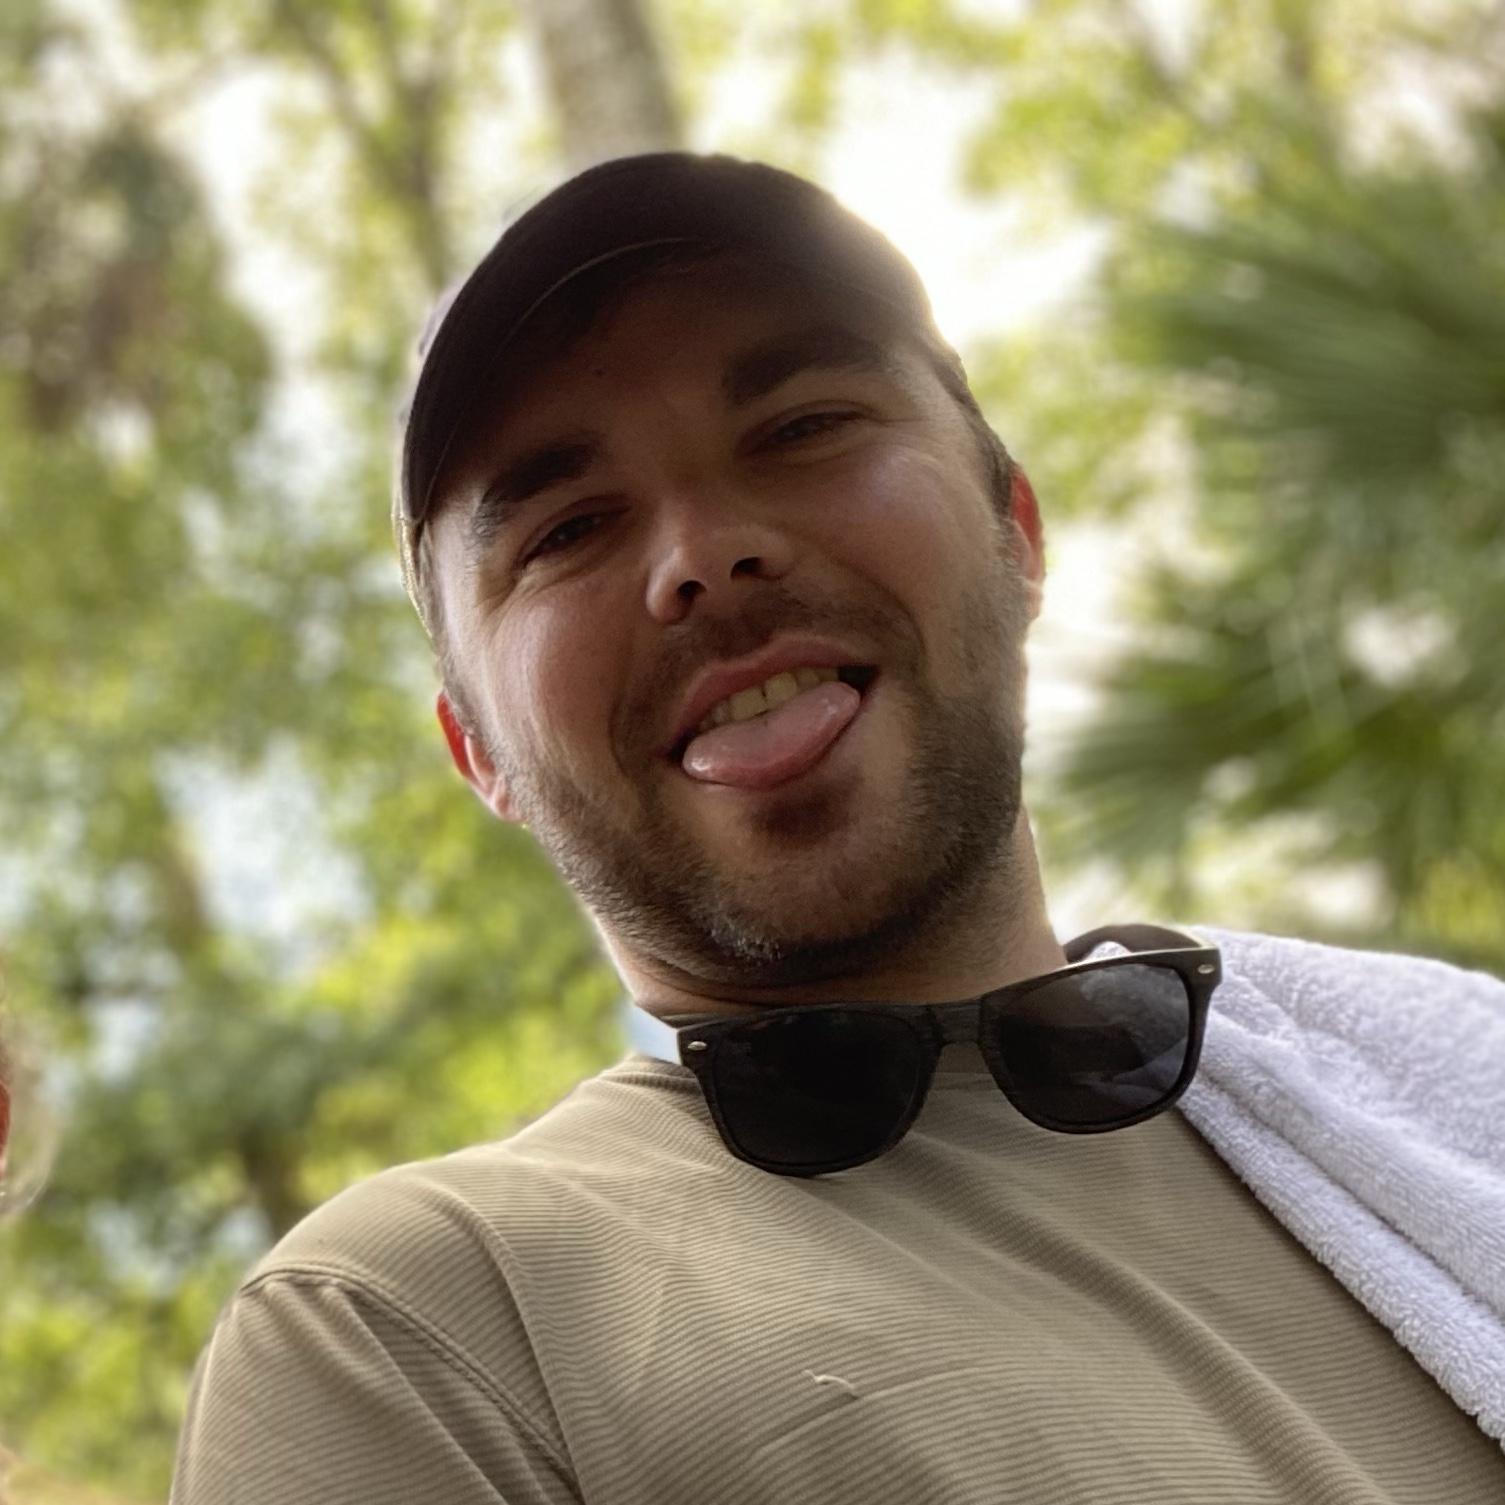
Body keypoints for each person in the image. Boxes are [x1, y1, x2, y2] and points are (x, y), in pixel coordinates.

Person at [171, 154, 1504, 1502]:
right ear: (480, 754)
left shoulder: (1429, 1115)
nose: (703, 555)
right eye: (568, 529)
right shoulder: (417, 1331)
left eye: (803, 427)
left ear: (1016, 533)